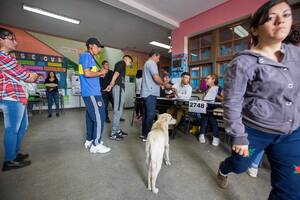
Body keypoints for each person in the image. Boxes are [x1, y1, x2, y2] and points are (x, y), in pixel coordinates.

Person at [216, 1, 300, 199]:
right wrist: (238, 136)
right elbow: (232, 102)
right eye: (271, 17)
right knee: (239, 165)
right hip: (254, 131)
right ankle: (224, 168)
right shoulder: (244, 62)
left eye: (286, 14)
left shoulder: (296, 54)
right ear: (254, 30)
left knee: (292, 190)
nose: (281, 20)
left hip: (291, 133)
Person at [0, 27, 38, 171]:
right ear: (1, 40)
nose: (15, 42)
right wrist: (33, 76)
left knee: (22, 126)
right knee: (12, 129)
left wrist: (28, 74)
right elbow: (26, 76)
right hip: (11, 97)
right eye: (11, 38)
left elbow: (21, 73)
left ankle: (14, 154)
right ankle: (9, 160)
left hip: (18, 97)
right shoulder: (2, 56)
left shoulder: (9, 57)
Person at [79, 37, 111, 154]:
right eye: (98, 47)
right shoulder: (87, 56)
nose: (99, 50)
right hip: (91, 92)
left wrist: (99, 74)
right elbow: (87, 74)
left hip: (91, 91)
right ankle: (96, 144)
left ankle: (90, 139)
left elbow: (89, 73)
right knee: (100, 116)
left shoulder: (89, 57)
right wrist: (101, 72)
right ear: (91, 46)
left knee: (91, 116)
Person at [141, 50, 171, 142]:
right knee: (150, 115)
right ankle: (148, 136)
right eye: (158, 58)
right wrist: (164, 84)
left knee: (146, 114)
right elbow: (156, 77)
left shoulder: (146, 64)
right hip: (150, 93)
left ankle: (144, 134)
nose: (158, 60)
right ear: (154, 55)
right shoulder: (152, 63)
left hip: (146, 92)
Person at [104, 55, 133, 141]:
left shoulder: (122, 65)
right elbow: (116, 73)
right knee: (118, 111)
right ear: (126, 59)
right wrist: (111, 84)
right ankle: (113, 133)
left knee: (119, 110)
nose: (129, 64)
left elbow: (118, 74)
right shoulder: (122, 63)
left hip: (120, 88)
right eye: (130, 62)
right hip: (118, 88)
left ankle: (117, 130)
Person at [197, 74, 221, 146]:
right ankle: (202, 135)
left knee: (211, 118)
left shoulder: (218, 88)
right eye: (206, 78)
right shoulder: (206, 89)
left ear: (213, 80)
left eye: (208, 78)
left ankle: (214, 137)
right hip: (206, 107)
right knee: (204, 118)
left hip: (214, 108)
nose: (205, 80)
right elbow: (203, 99)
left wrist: (216, 96)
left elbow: (224, 99)